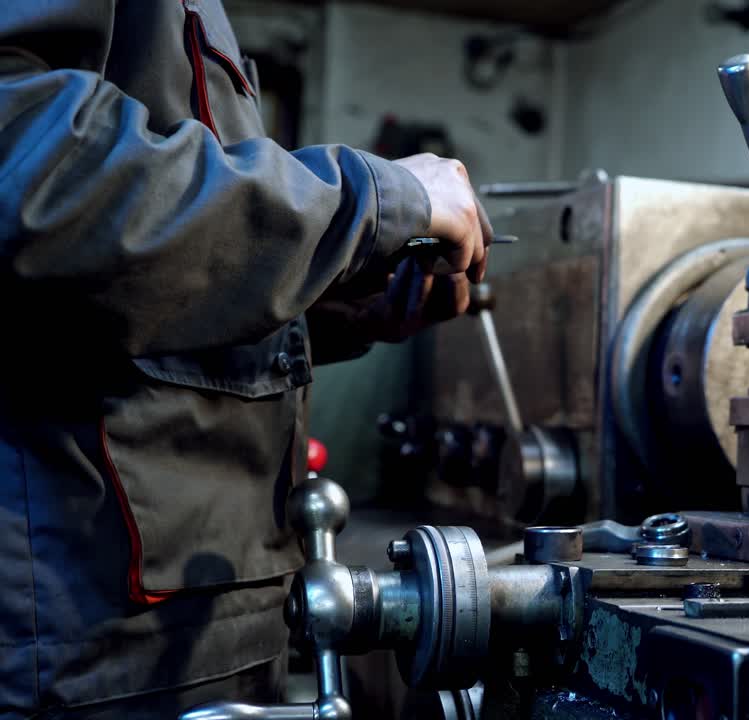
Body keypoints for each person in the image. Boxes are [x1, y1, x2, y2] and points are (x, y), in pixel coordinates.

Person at [0, 2, 491, 717]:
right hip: (85, 643)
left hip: (199, 634)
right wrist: (375, 198)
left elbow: (130, 286)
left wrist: (321, 309)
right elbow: (31, 180)